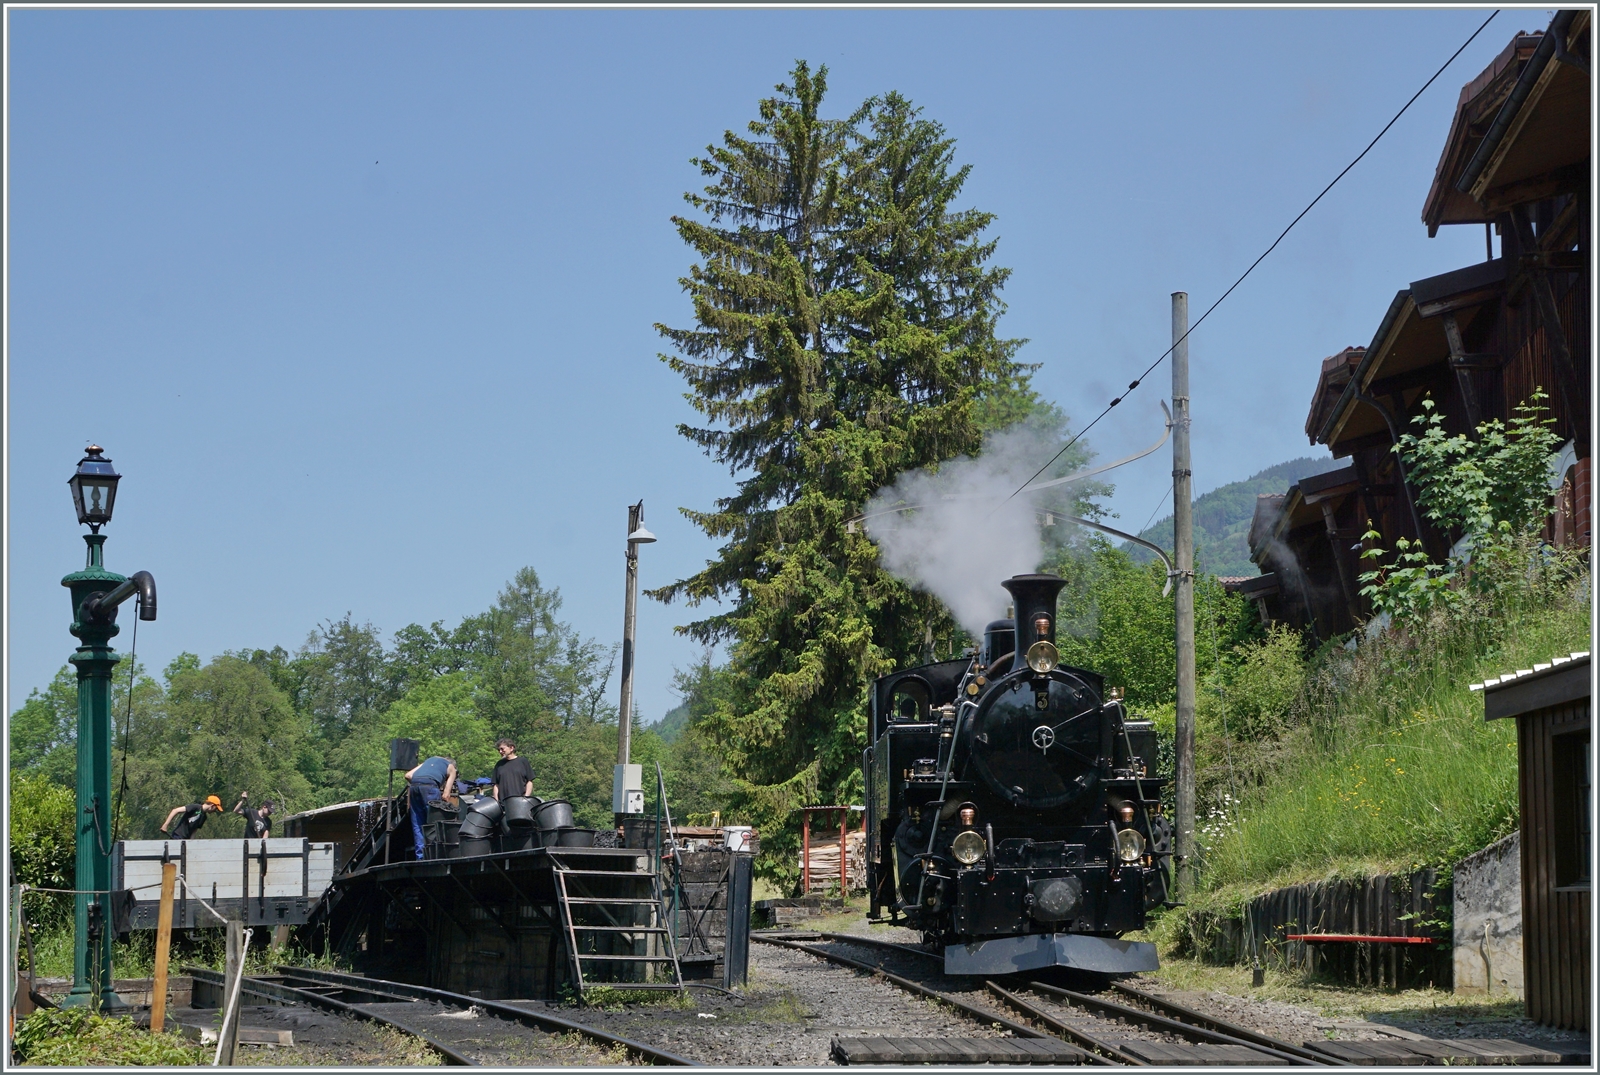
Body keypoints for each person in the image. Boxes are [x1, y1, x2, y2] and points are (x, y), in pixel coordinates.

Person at [404, 755, 456, 860]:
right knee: (433, 823)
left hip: (414, 787)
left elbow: (408, 775)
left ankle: (421, 857)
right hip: (430, 787)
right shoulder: (451, 767)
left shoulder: (428, 761)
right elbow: (446, 795)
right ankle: (434, 855)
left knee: (418, 824)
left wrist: (419, 785)